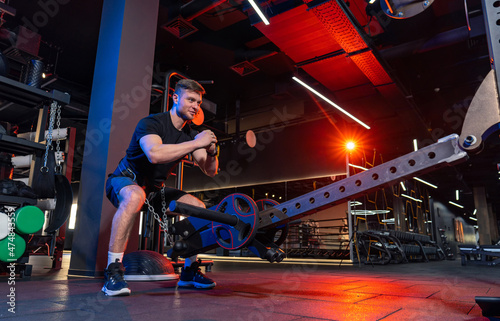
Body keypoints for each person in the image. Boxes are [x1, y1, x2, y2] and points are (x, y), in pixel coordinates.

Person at [102, 79, 219, 296]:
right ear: (175, 98)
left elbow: (209, 170)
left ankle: (188, 271)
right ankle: (113, 271)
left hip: (154, 191)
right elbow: (154, 154)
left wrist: (211, 150)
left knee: (198, 207)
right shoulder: (152, 123)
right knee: (135, 196)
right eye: (191, 100)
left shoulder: (190, 134)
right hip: (126, 180)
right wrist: (196, 143)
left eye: (199, 102)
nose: (196, 106)